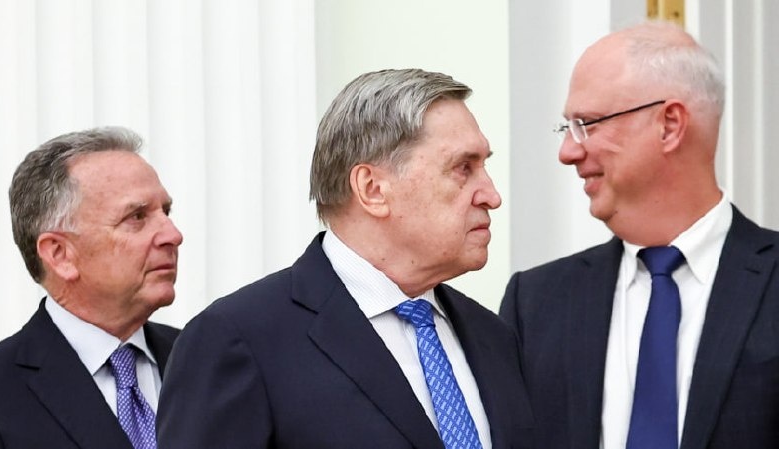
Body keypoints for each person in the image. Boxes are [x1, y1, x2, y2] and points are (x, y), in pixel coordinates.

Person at [157, 68, 533, 448]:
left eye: (484, 166)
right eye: (463, 168)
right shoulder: (239, 340)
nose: (491, 195)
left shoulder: (493, 336)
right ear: (372, 189)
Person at [500, 21, 779, 449]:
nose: (568, 151)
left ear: (669, 125)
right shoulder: (536, 303)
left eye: (587, 123)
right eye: (567, 128)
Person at [0, 127, 184, 449]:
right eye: (137, 216)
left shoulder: (204, 358)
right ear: (60, 254)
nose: (173, 235)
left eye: (166, 212)